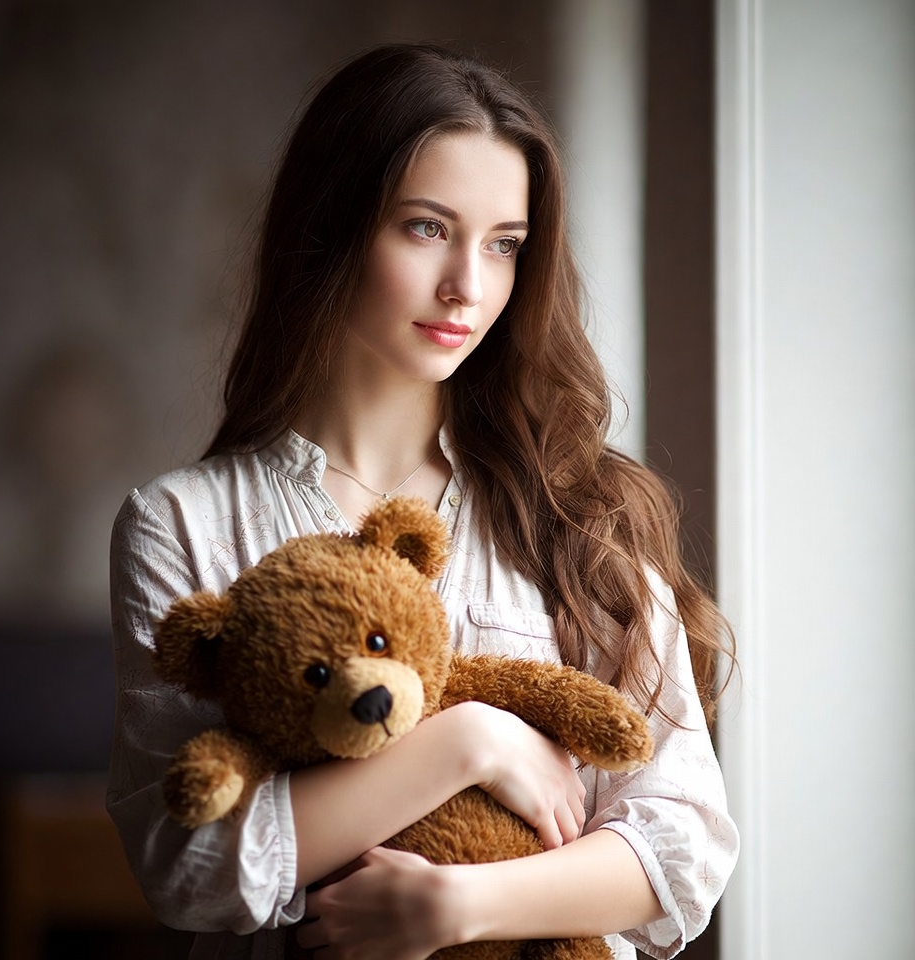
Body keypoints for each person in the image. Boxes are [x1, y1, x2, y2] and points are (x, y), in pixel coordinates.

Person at [107, 41, 739, 960]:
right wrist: (469, 740)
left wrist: (456, 909)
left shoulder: (578, 509)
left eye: (505, 245)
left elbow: (683, 850)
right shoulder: (182, 523)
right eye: (426, 228)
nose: (469, 289)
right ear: (332, 228)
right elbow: (190, 865)